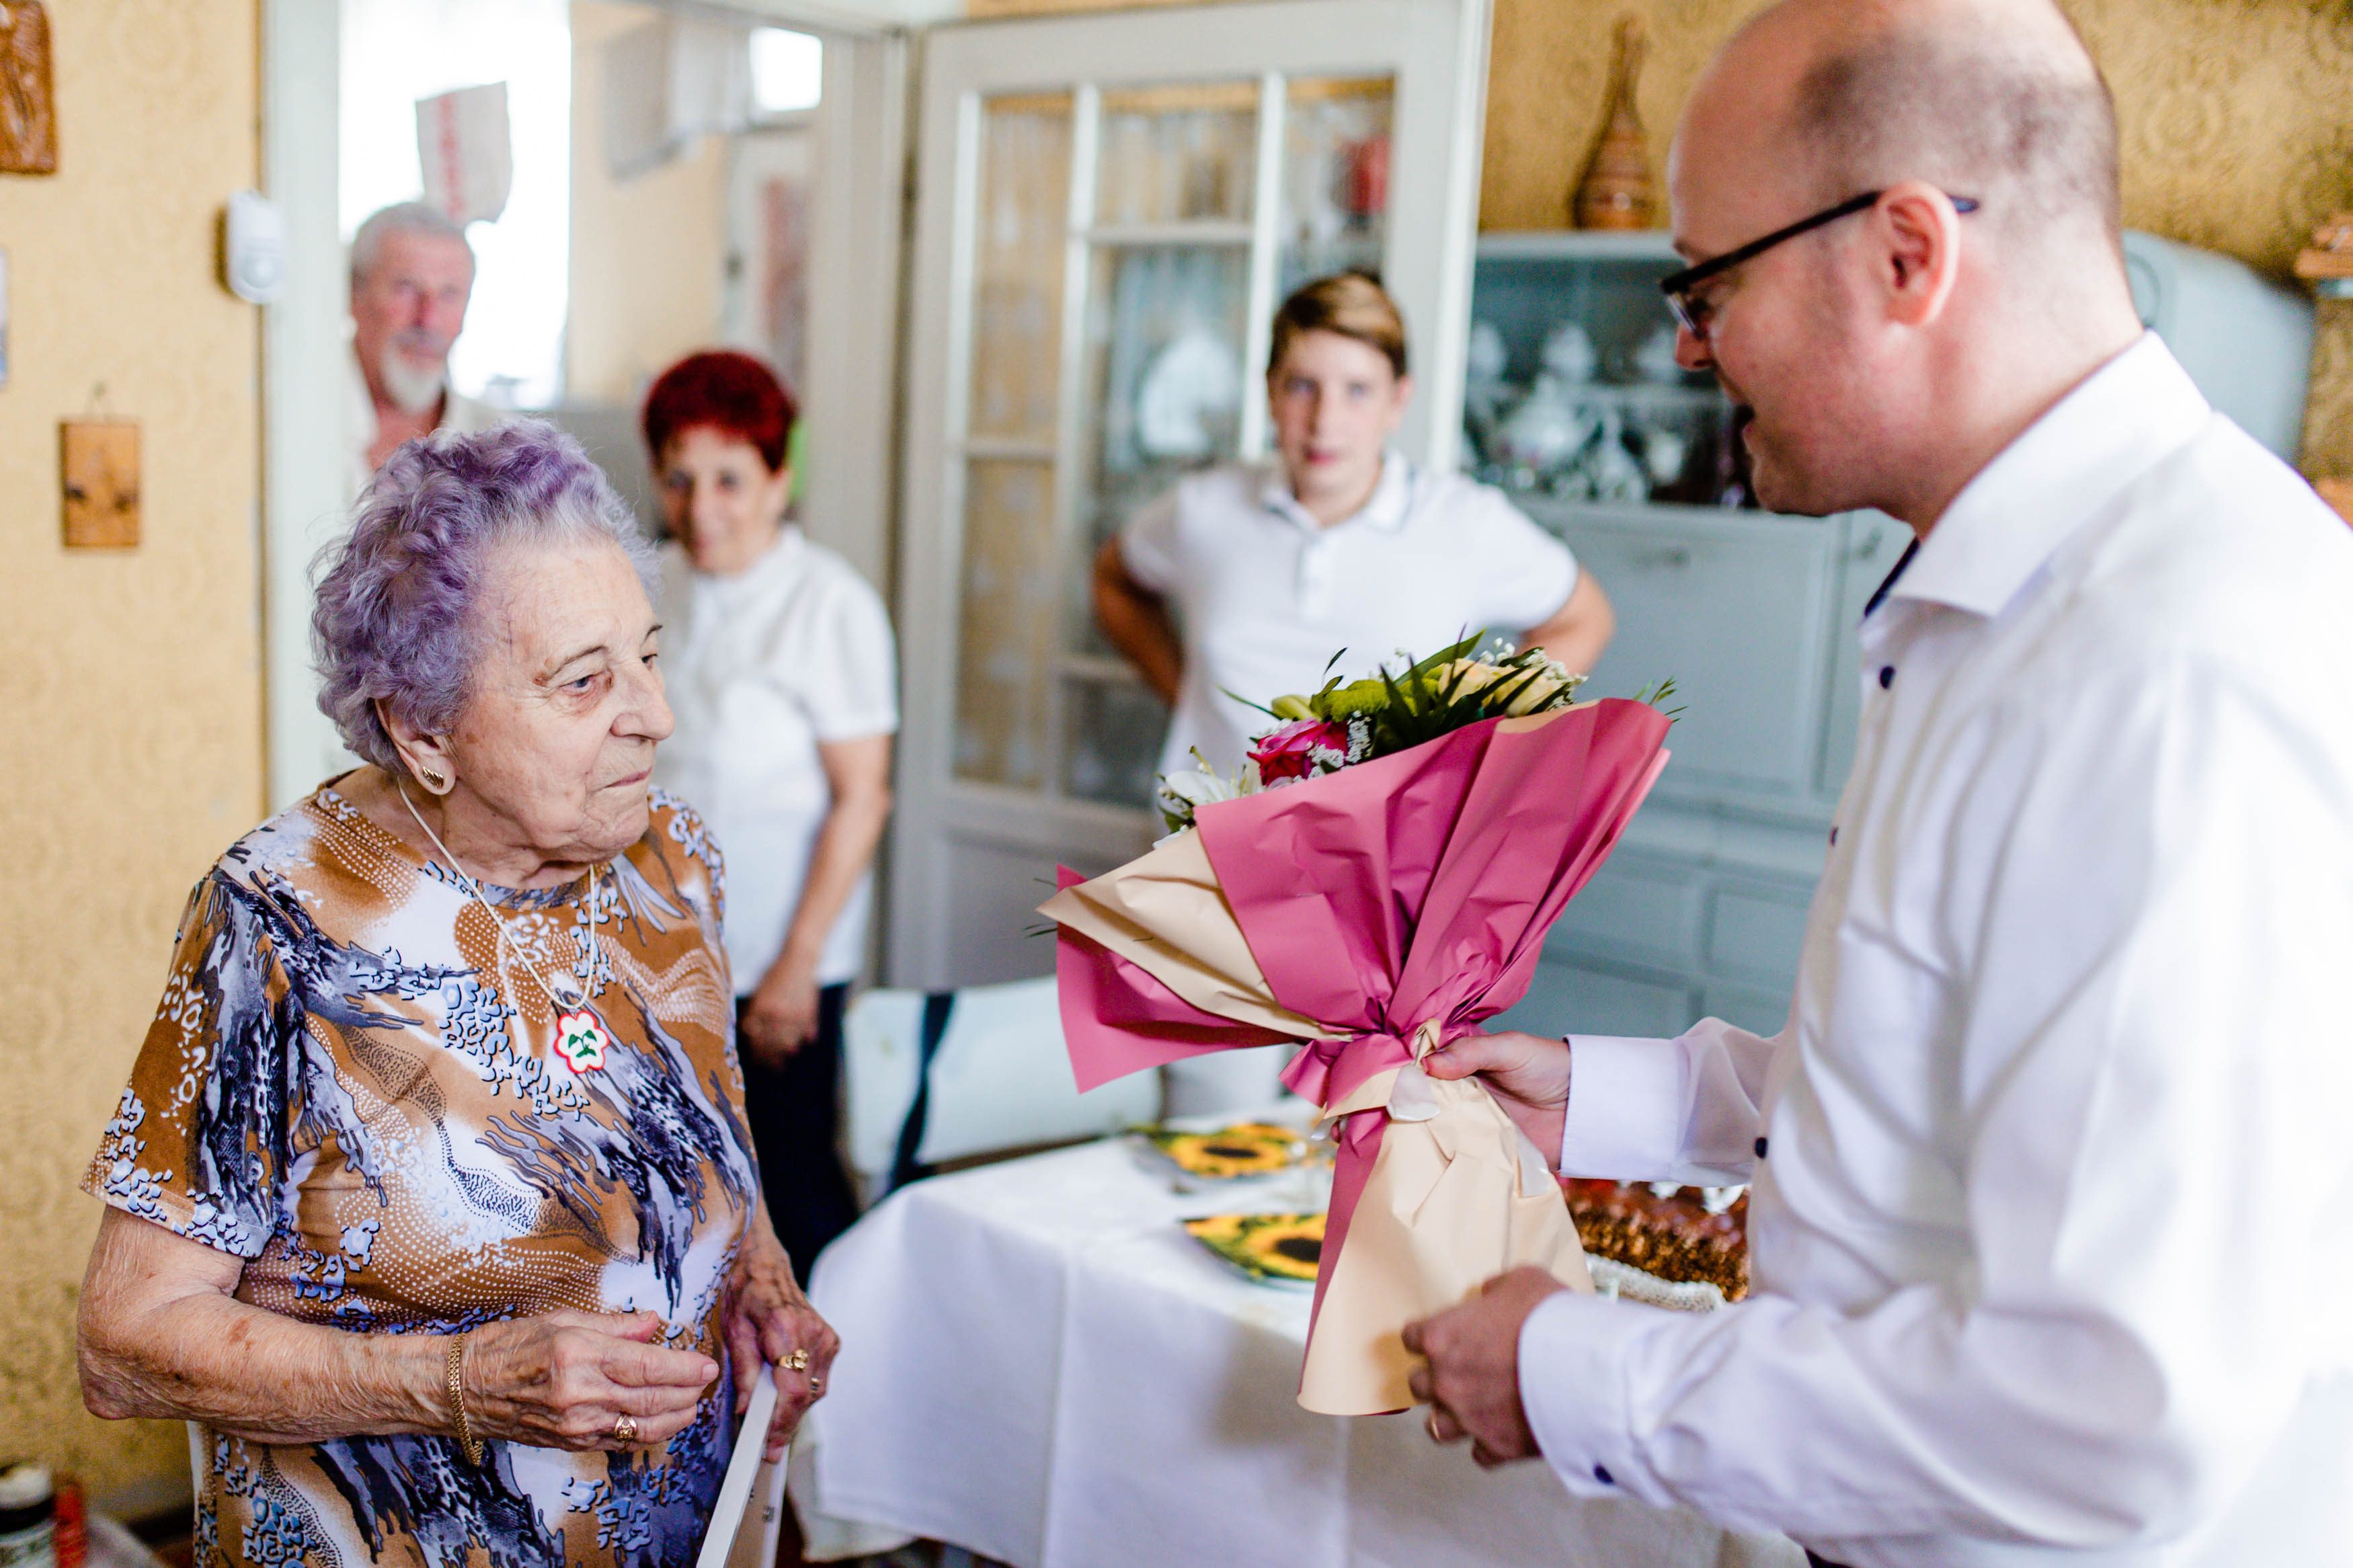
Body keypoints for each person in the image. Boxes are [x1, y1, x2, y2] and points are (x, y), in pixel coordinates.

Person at [1404, 1, 2353, 1564]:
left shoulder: (2171, 663)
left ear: (1907, 253)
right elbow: (1956, 1087)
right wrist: (1621, 1097)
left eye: (1707, 285)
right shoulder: (2004, 598)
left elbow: (2111, 1410)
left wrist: (1571, 1372)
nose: (1688, 348)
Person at [77, 421, 836, 1567]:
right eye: (585, 680)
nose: (655, 713)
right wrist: (462, 1382)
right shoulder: (280, 922)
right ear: (424, 729)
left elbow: (705, 1122)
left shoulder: (671, 860)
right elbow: (124, 1342)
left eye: (648, 655)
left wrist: (760, 1279)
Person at [1093, 272, 1616, 782]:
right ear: (1270, 392)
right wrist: (1186, 694)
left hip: (1392, 838)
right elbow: (1114, 578)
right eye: (1302, 386)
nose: (1325, 420)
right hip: (1205, 833)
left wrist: (1480, 744)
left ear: (1398, 401)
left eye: (1358, 390)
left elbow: (1584, 618)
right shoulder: (1203, 509)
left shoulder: (1466, 523)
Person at [642, 350, 897, 1285]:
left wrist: (797, 963)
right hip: (658, 951)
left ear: (780, 478)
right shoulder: (651, 584)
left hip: (779, 963)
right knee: (675, 1181)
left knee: (788, 1184)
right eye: (679, 478)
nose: (701, 507)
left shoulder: (829, 604)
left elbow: (863, 795)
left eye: (729, 480)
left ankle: (839, 1355)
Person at [347, 201, 504, 495]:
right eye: (405, 288)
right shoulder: (291, 423)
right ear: (353, 295)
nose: (428, 320)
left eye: (449, 294)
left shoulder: (502, 451)